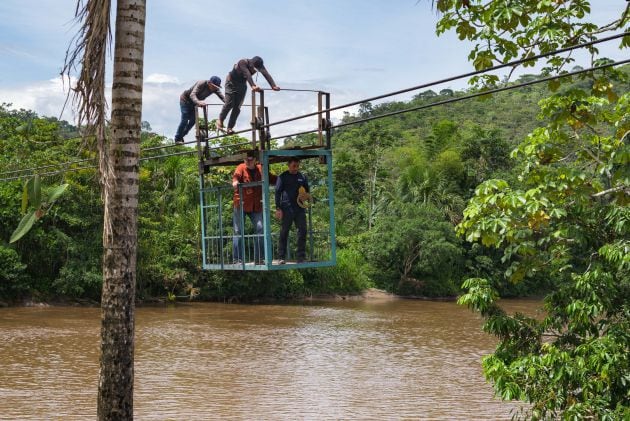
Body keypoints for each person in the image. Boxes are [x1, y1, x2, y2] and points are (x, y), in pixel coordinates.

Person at [232, 152, 277, 263]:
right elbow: (236, 177)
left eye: (250, 159)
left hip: (256, 205)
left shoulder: (261, 168)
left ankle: (259, 258)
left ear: (255, 160)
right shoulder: (241, 167)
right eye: (246, 159)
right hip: (241, 203)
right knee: (238, 230)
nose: (248, 161)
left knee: (260, 228)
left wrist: (284, 180)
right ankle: (237, 259)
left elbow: (273, 179)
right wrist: (235, 182)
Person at [218, 56, 280, 134]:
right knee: (229, 103)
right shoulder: (242, 62)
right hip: (231, 82)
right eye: (254, 68)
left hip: (242, 85)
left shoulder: (259, 65)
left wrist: (273, 86)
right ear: (251, 64)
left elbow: (266, 74)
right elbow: (247, 74)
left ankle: (229, 128)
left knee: (237, 107)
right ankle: (220, 120)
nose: (255, 70)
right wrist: (253, 85)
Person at [275, 158, 309, 264]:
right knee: (284, 232)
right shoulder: (282, 177)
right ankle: (281, 257)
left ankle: (301, 257)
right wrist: (278, 208)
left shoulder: (302, 177)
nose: (296, 168)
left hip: (300, 208)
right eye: (294, 166)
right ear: (288, 165)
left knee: (303, 230)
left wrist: (306, 197)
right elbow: (277, 192)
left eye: (297, 166)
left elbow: (307, 192)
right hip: (287, 208)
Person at [174, 76, 224, 145]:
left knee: (193, 121)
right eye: (213, 86)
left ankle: (181, 136)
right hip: (185, 100)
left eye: (216, 87)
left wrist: (230, 104)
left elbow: (222, 98)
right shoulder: (201, 83)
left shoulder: (215, 89)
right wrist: (199, 102)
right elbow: (192, 95)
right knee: (184, 120)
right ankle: (177, 138)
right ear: (209, 83)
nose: (214, 88)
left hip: (194, 104)